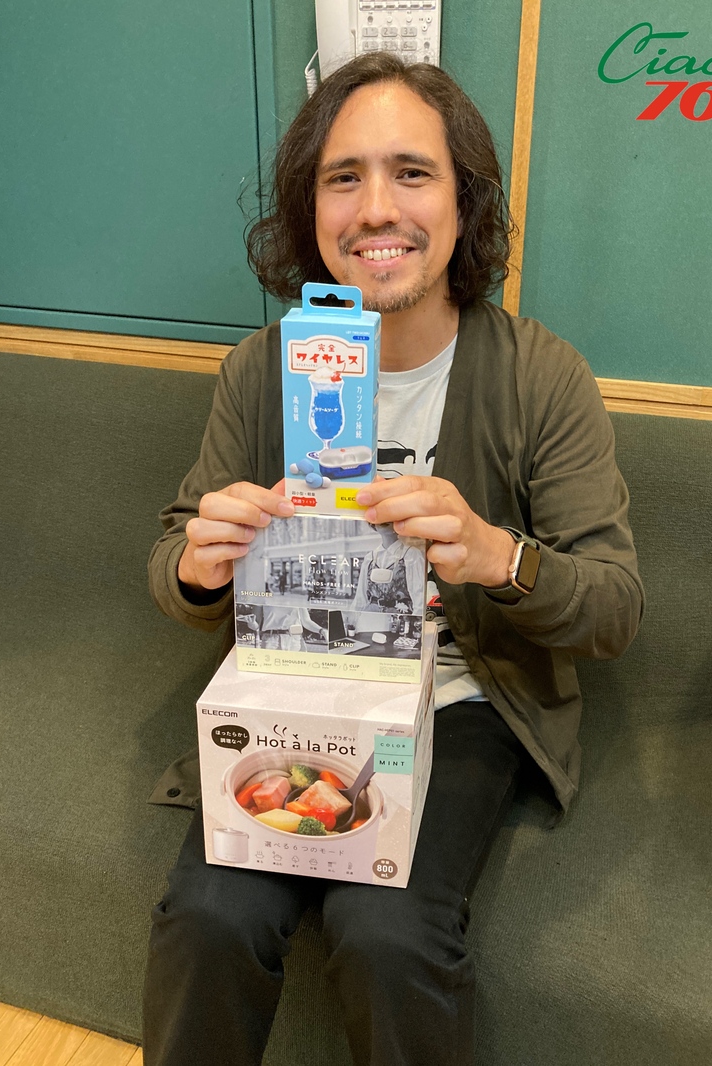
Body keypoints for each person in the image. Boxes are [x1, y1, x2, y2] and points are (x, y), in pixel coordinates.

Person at [143, 52, 644, 1066]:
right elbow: (172, 556)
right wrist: (200, 565)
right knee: (208, 912)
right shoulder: (264, 369)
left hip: (459, 704)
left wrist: (498, 555)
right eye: (344, 177)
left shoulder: (540, 375)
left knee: (385, 931)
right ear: (311, 209)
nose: (377, 208)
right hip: (296, 697)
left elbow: (614, 605)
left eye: (412, 172)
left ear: (463, 202)